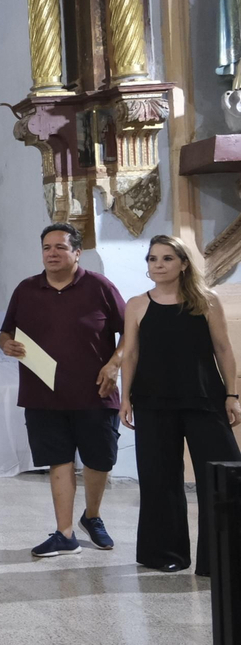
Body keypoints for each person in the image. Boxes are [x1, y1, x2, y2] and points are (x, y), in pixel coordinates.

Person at [0, 223, 126, 558]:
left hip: (95, 392)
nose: (52, 254)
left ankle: (92, 516)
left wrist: (114, 364)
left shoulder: (99, 286)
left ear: (77, 252)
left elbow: (131, 333)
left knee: (100, 460)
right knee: (59, 460)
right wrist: (7, 344)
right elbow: (6, 332)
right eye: (46, 248)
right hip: (44, 393)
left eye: (60, 247)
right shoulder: (26, 289)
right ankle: (64, 532)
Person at [119, 235, 241, 576]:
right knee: (159, 479)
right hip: (152, 401)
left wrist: (232, 395)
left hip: (203, 399)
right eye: (152, 259)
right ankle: (164, 554)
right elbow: (130, 354)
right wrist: (125, 397)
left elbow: (224, 349)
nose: (158, 265)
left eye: (167, 258)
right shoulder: (137, 304)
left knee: (222, 474)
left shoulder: (207, 300)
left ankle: (222, 557)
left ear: (184, 264)